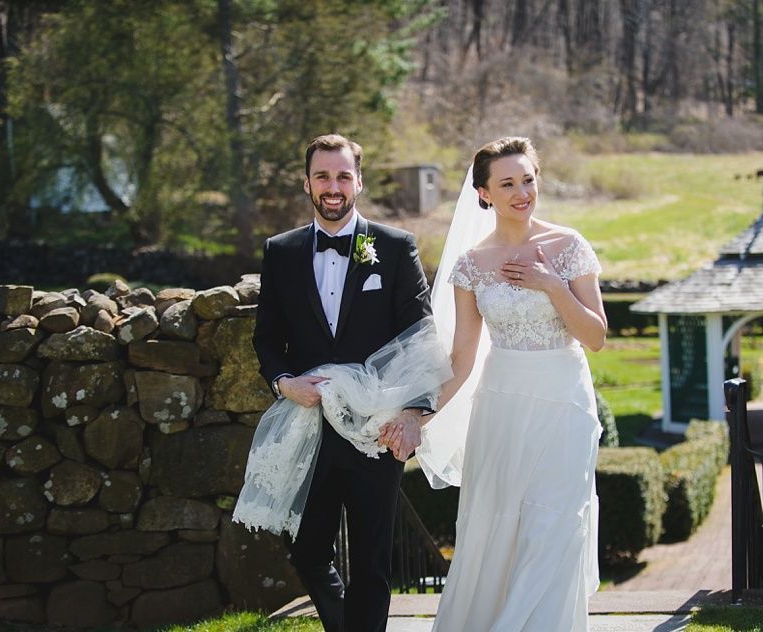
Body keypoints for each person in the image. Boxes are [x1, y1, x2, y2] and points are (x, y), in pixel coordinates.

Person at [387, 136, 607, 630]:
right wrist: (419, 415)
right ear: (484, 193)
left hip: (564, 401)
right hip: (502, 405)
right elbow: (462, 359)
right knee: (497, 528)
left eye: (527, 179)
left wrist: (551, 284)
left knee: (556, 523)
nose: (521, 191)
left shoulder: (568, 246)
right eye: (506, 183)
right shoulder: (471, 264)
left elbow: (596, 336)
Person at [250, 133, 433, 632]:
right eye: (324, 176)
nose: (334, 186)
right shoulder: (281, 251)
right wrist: (284, 382)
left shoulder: (395, 248)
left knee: (372, 562)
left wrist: (414, 413)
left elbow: (421, 337)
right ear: (307, 182)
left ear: (359, 181)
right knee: (307, 547)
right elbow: (266, 338)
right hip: (306, 424)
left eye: (343, 175)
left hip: (376, 427)